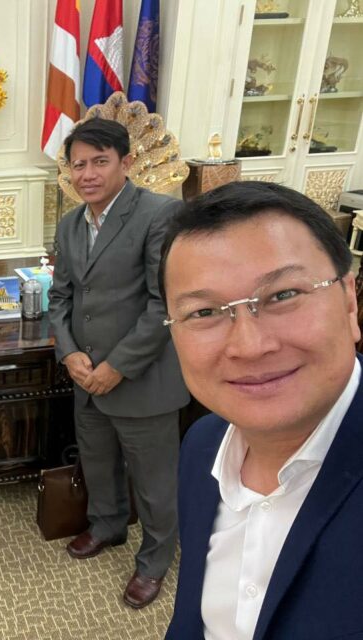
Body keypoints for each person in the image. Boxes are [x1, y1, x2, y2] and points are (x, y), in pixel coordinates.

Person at [162, 182, 362, 639]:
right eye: (204, 312)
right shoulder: (202, 445)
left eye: (283, 296)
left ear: (350, 301)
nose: (250, 347)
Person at [48, 119, 189, 609]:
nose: (87, 174)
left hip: (141, 379)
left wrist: (117, 367)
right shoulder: (69, 224)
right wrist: (69, 353)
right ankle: (107, 526)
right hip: (85, 378)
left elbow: (164, 305)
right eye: (78, 164)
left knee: (154, 481)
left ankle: (155, 559)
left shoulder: (161, 214)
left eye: (99, 162)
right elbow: (60, 298)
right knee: (98, 462)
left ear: (126, 163)